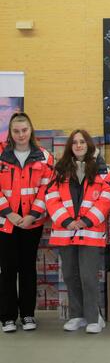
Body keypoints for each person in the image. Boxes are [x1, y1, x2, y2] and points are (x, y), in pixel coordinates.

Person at [45, 130, 110, 333]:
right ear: (70, 146)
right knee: (70, 275)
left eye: (82, 141)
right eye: (74, 142)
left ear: (89, 145)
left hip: (90, 232)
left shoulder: (102, 170)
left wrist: (86, 221)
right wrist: (67, 221)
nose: (78, 145)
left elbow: (107, 197)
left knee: (88, 276)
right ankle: (77, 315)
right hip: (65, 232)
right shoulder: (59, 170)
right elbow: (51, 196)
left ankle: (94, 317)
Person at [0, 112, 53, 333]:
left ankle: (28, 314)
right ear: (10, 132)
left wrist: (32, 214)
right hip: (5, 221)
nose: (21, 135)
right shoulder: (1, 154)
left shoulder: (44, 157)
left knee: (28, 268)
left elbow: (46, 188)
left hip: (32, 221)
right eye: (16, 131)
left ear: (31, 130)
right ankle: (7, 317)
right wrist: (8, 213)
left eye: (24, 130)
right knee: (7, 268)